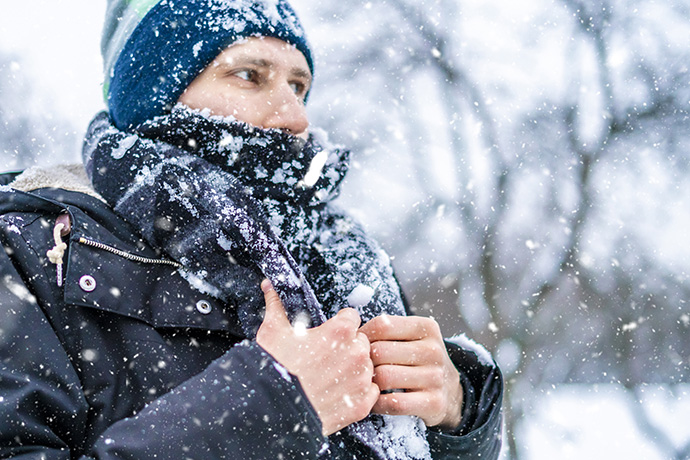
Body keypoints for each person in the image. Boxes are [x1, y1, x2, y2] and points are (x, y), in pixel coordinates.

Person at [0, 0, 502, 458]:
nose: (295, 116)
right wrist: (271, 407)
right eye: (249, 74)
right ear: (156, 95)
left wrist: (457, 414)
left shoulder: (340, 254)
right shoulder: (30, 251)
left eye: (299, 86)